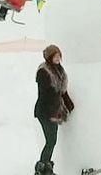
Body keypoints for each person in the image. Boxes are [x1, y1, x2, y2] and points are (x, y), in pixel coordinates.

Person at [34, 45, 74, 175]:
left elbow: (62, 91)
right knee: (50, 140)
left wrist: (69, 104)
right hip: (45, 111)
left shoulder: (60, 71)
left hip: (55, 111)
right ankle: (41, 167)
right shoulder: (43, 71)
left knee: (52, 140)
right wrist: (54, 105)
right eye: (55, 56)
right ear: (49, 57)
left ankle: (47, 167)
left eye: (59, 55)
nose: (58, 58)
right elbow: (45, 93)